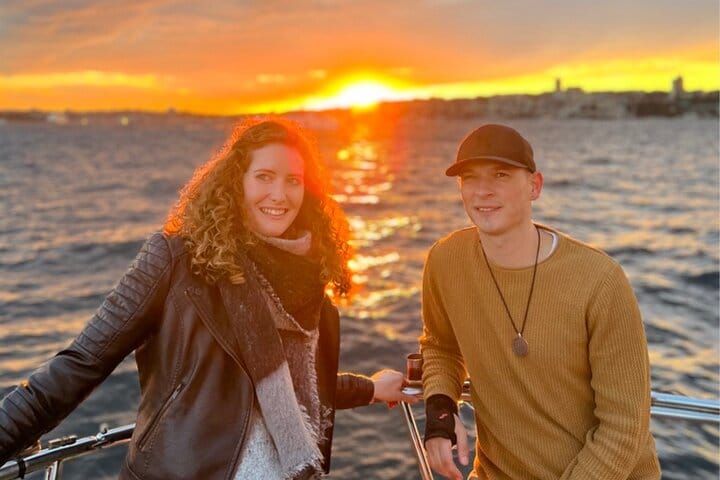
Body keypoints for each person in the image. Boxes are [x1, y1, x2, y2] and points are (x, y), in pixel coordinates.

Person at [0, 118, 418, 479]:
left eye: (293, 180)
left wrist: (369, 388)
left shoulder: (313, 292)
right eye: (264, 176)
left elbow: (296, 386)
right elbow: (80, 364)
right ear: (236, 182)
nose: (279, 194)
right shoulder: (177, 261)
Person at [419, 124, 661, 479]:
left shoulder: (600, 279)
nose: (483, 190)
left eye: (501, 175)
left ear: (535, 186)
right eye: (470, 177)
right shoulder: (445, 260)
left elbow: (625, 427)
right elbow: (440, 346)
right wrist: (440, 411)